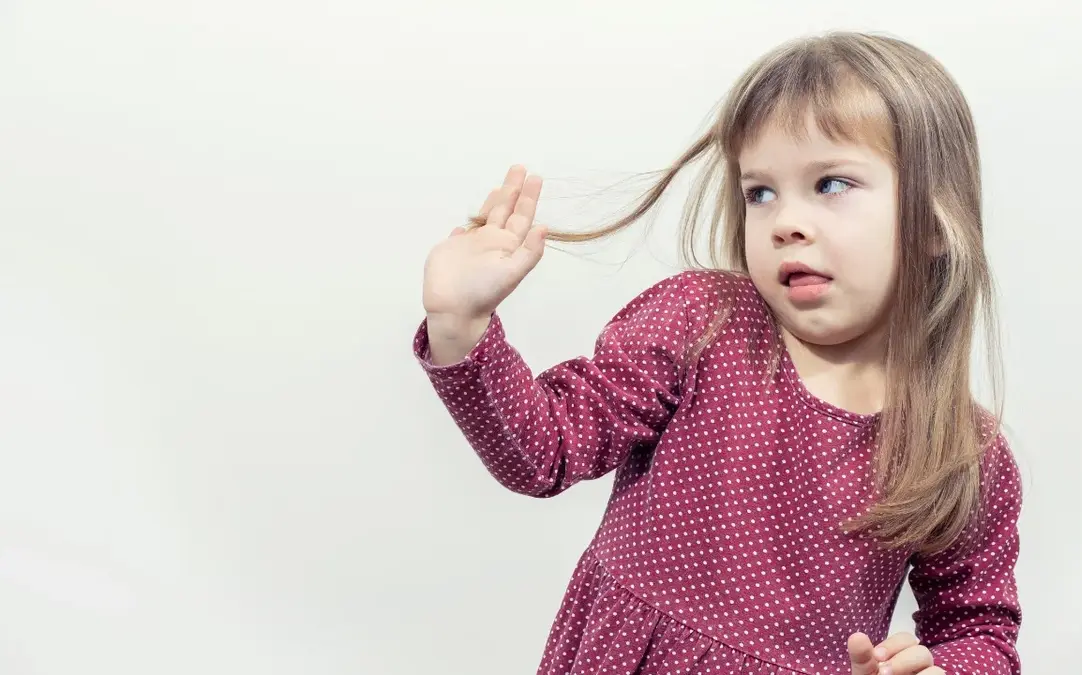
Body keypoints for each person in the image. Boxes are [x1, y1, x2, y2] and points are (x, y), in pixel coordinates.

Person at [415, 31, 1022, 675]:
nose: (785, 220)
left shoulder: (961, 453)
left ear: (933, 223)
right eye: (759, 192)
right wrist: (460, 324)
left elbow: (977, 627)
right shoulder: (702, 323)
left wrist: (944, 671)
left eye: (832, 183)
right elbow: (546, 450)